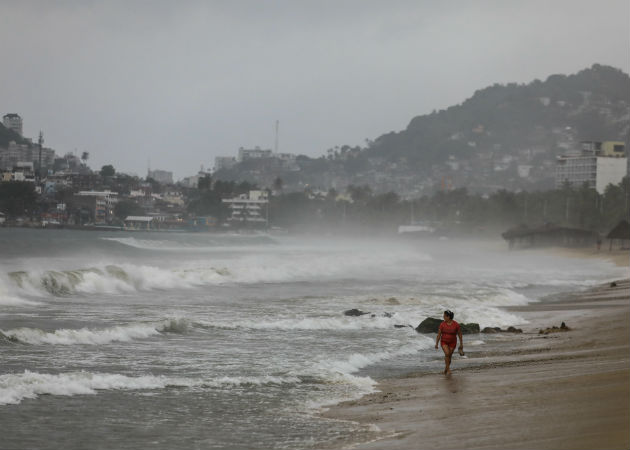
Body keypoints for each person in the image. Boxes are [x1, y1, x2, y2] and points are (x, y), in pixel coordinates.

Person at [435, 310, 463, 375]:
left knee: (449, 356)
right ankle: (449, 370)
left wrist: (461, 344)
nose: (443, 317)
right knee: (447, 354)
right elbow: (439, 334)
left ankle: (445, 370)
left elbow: (460, 334)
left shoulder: (456, 324)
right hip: (444, 341)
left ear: (448, 317)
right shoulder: (442, 324)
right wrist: (436, 343)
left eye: (444, 316)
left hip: (453, 342)